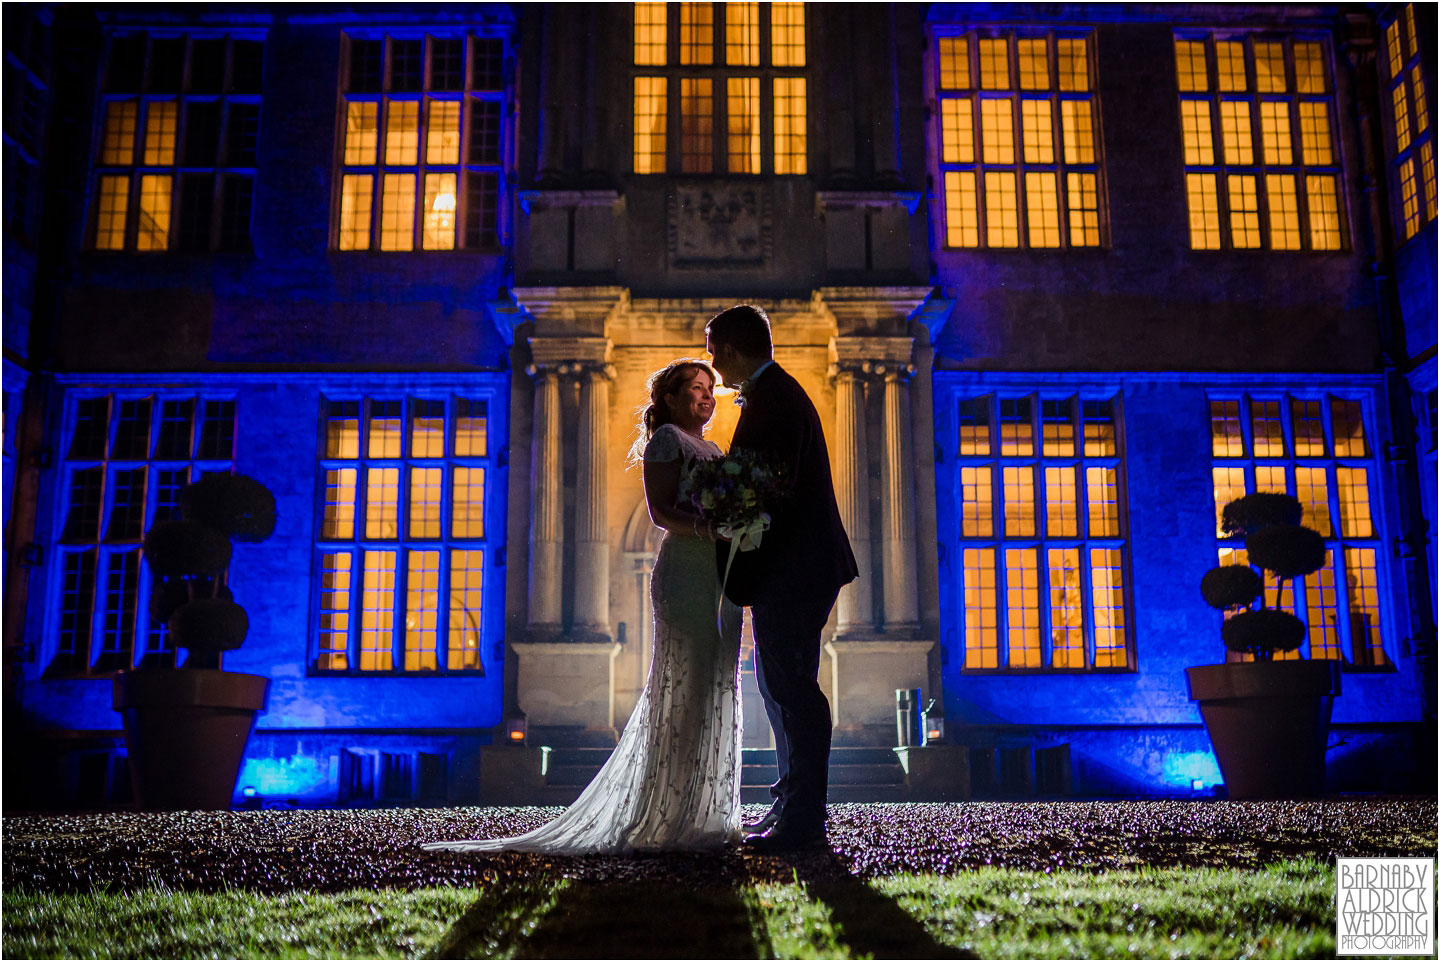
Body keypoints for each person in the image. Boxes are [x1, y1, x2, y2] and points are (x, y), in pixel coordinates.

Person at [424, 359, 743, 854]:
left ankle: (699, 810)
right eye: (696, 389)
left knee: (710, 686)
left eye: (710, 389)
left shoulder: (714, 448)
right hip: (684, 573)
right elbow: (660, 513)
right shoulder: (668, 442)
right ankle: (668, 816)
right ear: (671, 400)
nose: (707, 397)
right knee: (684, 688)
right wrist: (711, 528)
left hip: (715, 574)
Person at [705, 304, 859, 853]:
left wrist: (717, 495)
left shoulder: (775, 397)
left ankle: (803, 818)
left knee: (792, 687)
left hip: (796, 569)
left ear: (728, 349)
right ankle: (789, 801)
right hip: (795, 568)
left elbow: (765, 483)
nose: (712, 365)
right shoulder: (777, 394)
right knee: (777, 685)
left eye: (713, 351)